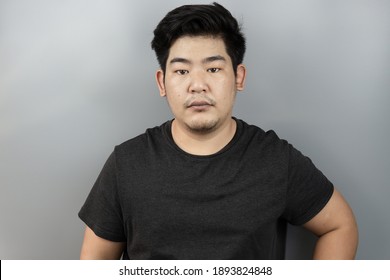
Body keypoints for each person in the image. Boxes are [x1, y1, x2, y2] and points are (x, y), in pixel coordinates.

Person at [78, 2, 358, 260]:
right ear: (162, 82)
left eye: (213, 69)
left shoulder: (275, 159)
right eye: (182, 71)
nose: (198, 85)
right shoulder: (126, 164)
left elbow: (340, 226)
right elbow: (93, 264)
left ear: (238, 77)